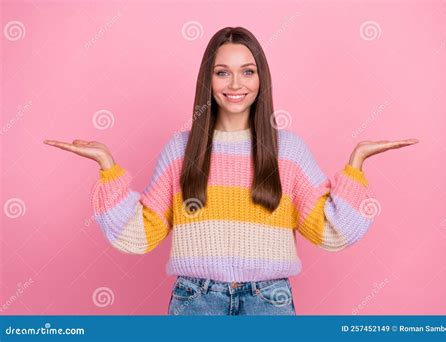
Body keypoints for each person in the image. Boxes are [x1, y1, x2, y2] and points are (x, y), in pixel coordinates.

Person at [44, 26, 419, 315]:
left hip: (268, 302)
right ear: (208, 79)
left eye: (247, 71)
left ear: (261, 79)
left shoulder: (288, 150)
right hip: (195, 302)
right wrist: (108, 167)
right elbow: (140, 234)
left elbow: (331, 232)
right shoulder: (181, 150)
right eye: (223, 72)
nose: (236, 84)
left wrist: (356, 164)